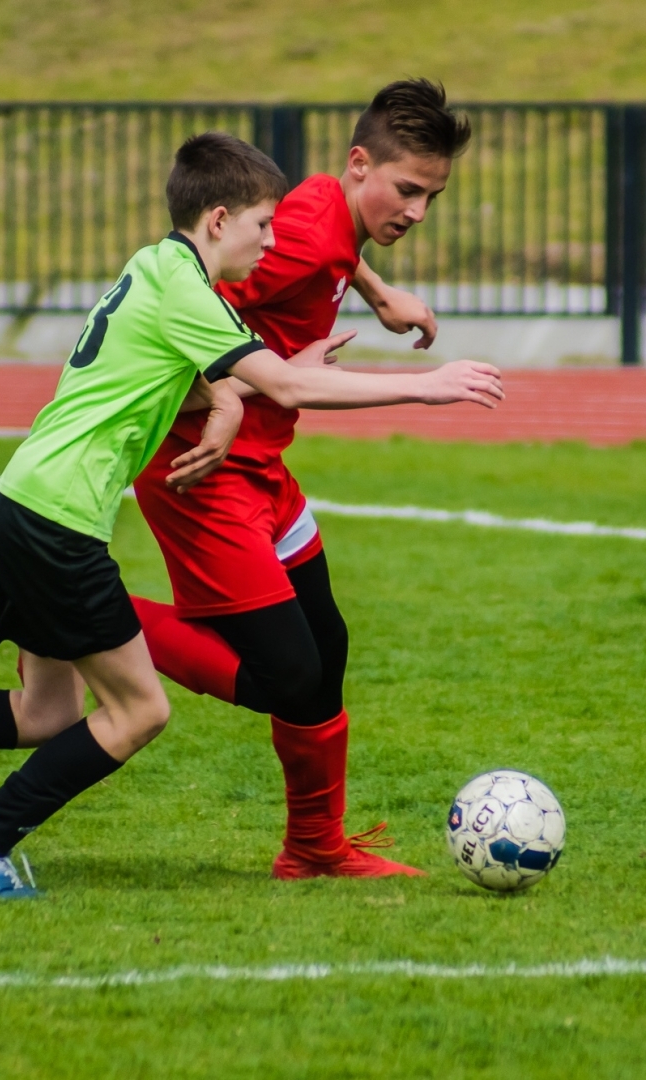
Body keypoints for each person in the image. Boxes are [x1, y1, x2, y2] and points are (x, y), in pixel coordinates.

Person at [0, 131, 501, 900]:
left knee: (44, 713)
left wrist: (240, 392)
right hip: (59, 526)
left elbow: (222, 374)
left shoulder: (156, 266)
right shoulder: (192, 294)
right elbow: (281, 386)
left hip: (21, 503)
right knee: (140, 710)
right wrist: (426, 385)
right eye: (261, 228)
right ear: (218, 221)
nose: (274, 243)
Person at [127, 79, 494, 881]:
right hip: (205, 468)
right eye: (406, 190)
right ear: (360, 164)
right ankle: (81, 615)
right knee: (285, 678)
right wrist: (230, 392)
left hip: (264, 467)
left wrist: (376, 289)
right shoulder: (306, 231)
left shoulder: (327, 207)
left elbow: (322, 254)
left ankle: (313, 851)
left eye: (432, 196)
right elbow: (182, 298)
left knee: (325, 647)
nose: (418, 212)